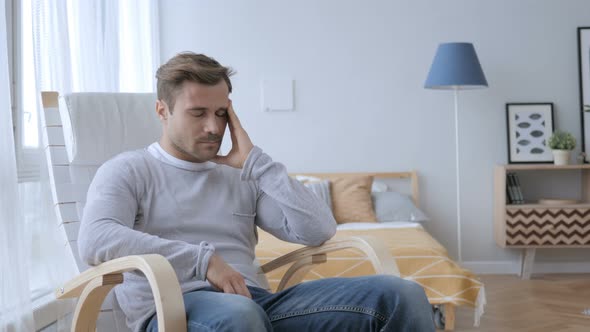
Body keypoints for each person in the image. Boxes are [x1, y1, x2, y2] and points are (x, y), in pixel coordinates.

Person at [78, 52, 435, 332]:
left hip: (255, 305)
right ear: (162, 111)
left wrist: (257, 164)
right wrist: (203, 261)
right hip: (174, 312)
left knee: (403, 295)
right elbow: (96, 238)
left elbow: (318, 230)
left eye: (221, 114)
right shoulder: (128, 170)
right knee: (241, 315)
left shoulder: (243, 176)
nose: (212, 127)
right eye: (197, 113)